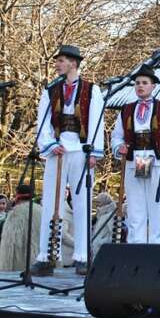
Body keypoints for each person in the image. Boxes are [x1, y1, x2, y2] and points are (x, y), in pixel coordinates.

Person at [31, 44, 104, 276]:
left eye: (61, 60)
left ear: (73, 63)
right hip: (58, 150)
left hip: (81, 151)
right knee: (51, 202)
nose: (57, 64)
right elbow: (42, 121)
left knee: (83, 203)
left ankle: (82, 256)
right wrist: (50, 144)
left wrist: (94, 151)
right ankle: (47, 255)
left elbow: (96, 122)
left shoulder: (92, 90)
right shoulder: (50, 90)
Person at [111, 64, 160, 244]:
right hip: (135, 159)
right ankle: (137, 244)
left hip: (156, 159)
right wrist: (119, 147)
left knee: (157, 206)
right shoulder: (126, 110)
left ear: (153, 86)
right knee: (135, 205)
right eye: (137, 83)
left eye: (144, 83)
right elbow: (117, 135)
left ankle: (157, 245)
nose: (140, 86)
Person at [0, 185, 42, 272]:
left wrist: (3, 270)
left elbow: (8, 244)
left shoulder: (15, 213)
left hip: (21, 265)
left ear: (17, 196)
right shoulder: (42, 211)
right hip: (40, 261)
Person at [91, 192, 116, 257]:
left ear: (104, 202)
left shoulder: (109, 215)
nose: (97, 204)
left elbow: (112, 235)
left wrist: (100, 242)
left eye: (99, 202)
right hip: (97, 250)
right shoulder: (101, 214)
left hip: (102, 251)